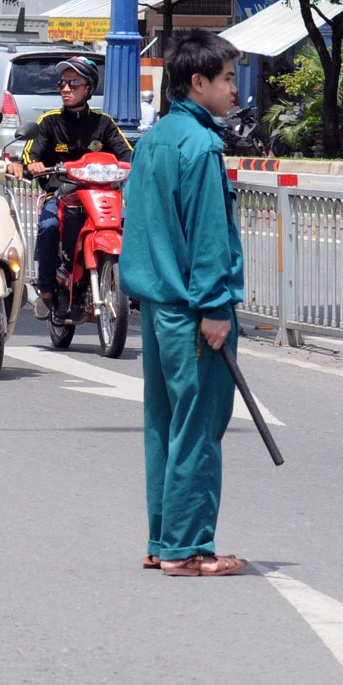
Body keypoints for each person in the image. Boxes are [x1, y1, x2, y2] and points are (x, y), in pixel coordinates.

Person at [121, 30, 249, 578]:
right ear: (198, 82)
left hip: (155, 303)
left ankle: (161, 536)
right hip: (193, 308)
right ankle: (188, 547)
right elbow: (207, 237)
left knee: (165, 423)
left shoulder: (154, 138)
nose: (234, 89)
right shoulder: (201, 145)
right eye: (226, 78)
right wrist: (217, 306)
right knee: (197, 428)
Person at [23, 56, 132, 312]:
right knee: (49, 226)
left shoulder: (104, 123)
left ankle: (136, 284)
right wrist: (34, 164)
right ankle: (47, 289)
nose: (66, 88)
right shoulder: (49, 121)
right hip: (61, 194)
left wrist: (141, 166)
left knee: (133, 224)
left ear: (89, 89)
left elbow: (128, 154)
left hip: (101, 196)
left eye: (74, 83)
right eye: (62, 83)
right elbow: (31, 153)